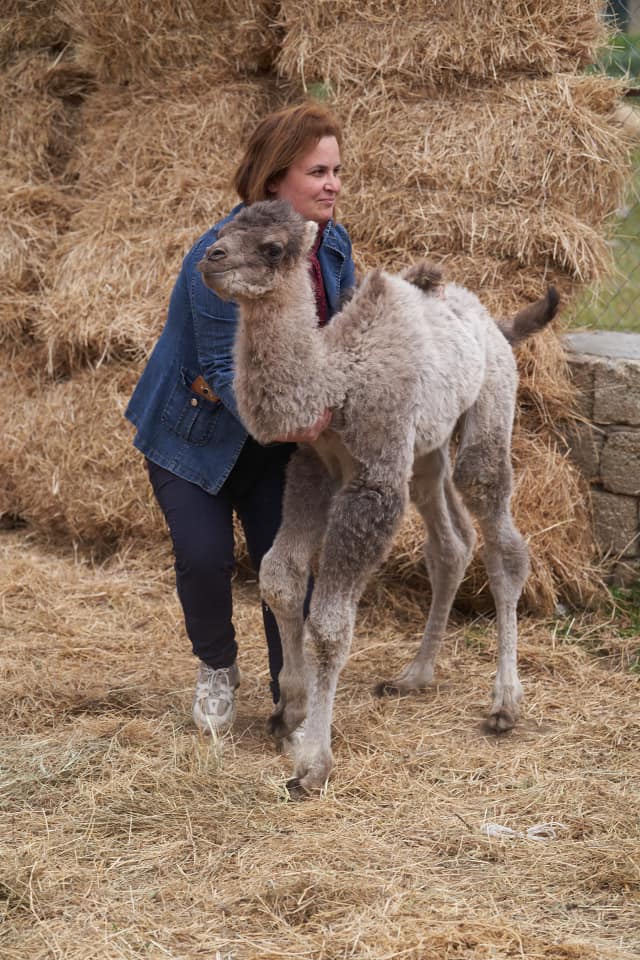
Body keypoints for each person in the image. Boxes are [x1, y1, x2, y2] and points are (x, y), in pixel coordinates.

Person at [125, 103, 356, 736]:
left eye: (337, 170)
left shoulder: (331, 245)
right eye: (318, 171)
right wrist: (314, 423)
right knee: (204, 558)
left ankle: (294, 700)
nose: (334, 183)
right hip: (196, 435)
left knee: (286, 559)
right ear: (277, 179)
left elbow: (344, 333)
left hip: (278, 442)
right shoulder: (220, 257)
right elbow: (230, 379)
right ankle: (217, 669)